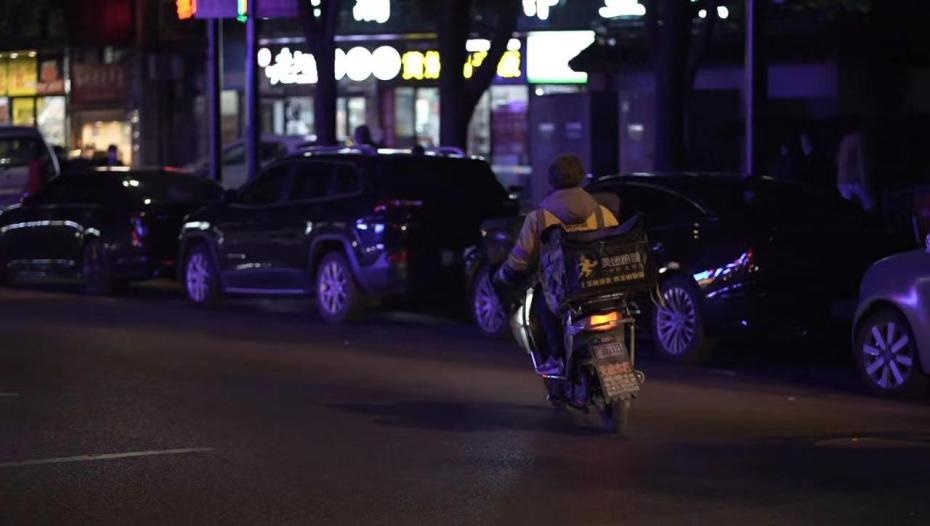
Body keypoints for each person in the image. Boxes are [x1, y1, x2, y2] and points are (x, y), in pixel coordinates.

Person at [493, 154, 618, 376]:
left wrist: (504, 275)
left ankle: (557, 358)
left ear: (551, 180)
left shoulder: (539, 218)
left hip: (562, 294)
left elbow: (520, 260)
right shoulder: (603, 214)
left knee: (541, 305)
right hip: (601, 290)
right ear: (581, 178)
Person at [836, 121, 875, 211]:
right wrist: (865, 183)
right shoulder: (859, 138)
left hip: (841, 181)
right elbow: (861, 161)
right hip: (854, 180)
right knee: (870, 204)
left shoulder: (845, 139)